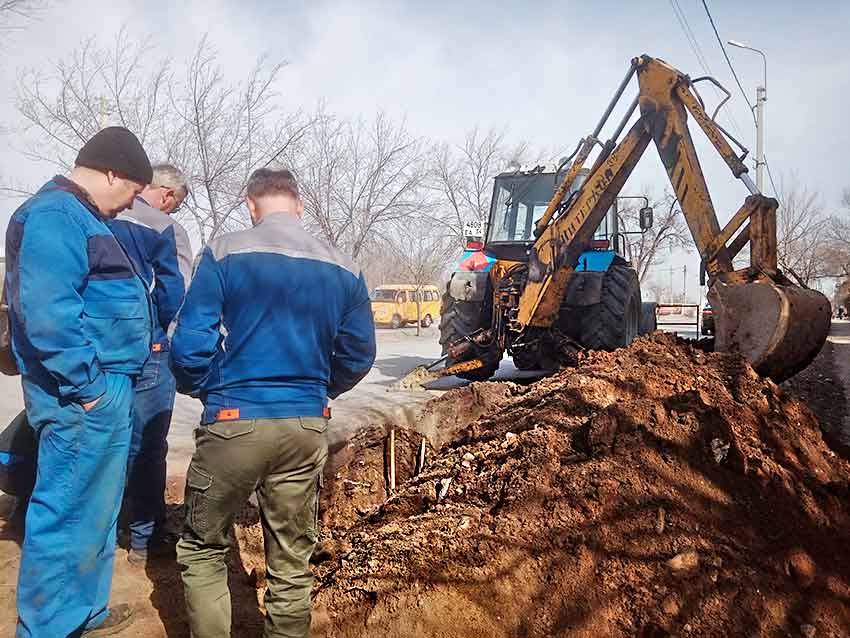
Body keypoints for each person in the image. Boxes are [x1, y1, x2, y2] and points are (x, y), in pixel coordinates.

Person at [171, 168, 376, 638]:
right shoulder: (345, 266)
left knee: (203, 548)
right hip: (304, 425)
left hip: (234, 419)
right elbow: (359, 353)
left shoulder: (223, 252)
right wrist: (320, 390)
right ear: (299, 206)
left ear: (251, 204)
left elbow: (189, 346)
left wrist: (207, 388)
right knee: (290, 558)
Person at [5, 127, 153, 637]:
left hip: (102, 388)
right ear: (112, 172)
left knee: (96, 510)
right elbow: (49, 315)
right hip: (79, 394)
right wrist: (88, 388)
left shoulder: (80, 216)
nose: (129, 205)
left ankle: (85, 613)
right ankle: (47, 627)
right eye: (132, 192)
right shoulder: (52, 216)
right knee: (66, 511)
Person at [110, 164, 192, 565]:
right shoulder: (164, 228)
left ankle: (106, 533)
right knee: (147, 445)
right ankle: (144, 538)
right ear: (166, 194)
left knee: (105, 441)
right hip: (150, 350)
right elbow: (176, 293)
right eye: (177, 203)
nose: (175, 210)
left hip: (100, 352)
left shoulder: (95, 215)